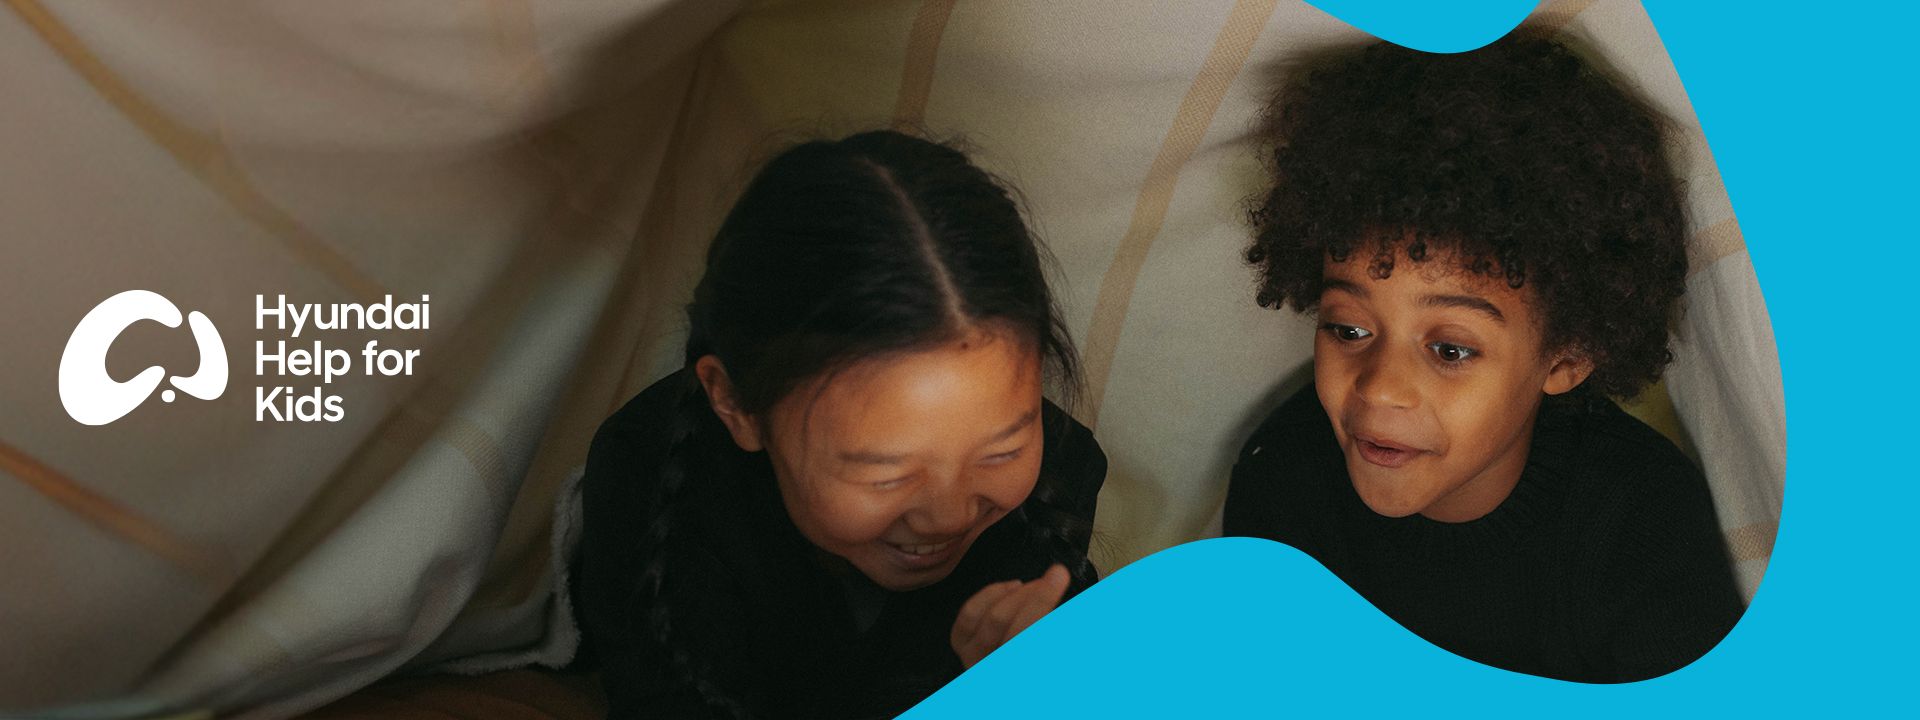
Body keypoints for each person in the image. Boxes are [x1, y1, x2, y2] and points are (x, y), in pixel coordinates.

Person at [1224, 30, 1746, 683]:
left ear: (1567, 359)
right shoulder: (1283, 486)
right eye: (1348, 329)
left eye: (1449, 349)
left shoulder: (1640, 523)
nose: (1380, 388)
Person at [570, 130, 1106, 718]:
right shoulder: (649, 477)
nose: (949, 517)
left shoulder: (1059, 474)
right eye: (885, 475)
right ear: (736, 404)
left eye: (1002, 452)